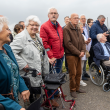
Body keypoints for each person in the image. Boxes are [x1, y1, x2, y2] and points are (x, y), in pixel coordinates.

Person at [10, 15, 49, 103]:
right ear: (26, 25)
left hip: (38, 72)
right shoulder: (21, 37)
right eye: (32, 25)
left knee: (37, 96)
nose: (34, 27)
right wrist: (23, 64)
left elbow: (41, 52)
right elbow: (11, 51)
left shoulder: (38, 37)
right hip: (28, 74)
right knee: (29, 98)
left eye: (36, 25)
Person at [0, 16, 30, 110]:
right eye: (7, 29)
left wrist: (23, 87)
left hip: (13, 100)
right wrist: (15, 107)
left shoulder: (7, 48)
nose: (10, 32)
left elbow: (15, 70)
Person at [40, 7, 64, 107]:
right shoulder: (44, 26)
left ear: (58, 15)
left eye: (55, 13)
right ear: (48, 15)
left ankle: (56, 93)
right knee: (51, 79)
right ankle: (51, 99)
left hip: (60, 55)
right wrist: (50, 56)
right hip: (52, 58)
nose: (53, 15)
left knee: (57, 77)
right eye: (51, 13)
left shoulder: (59, 26)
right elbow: (44, 43)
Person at [63, 13, 86, 98]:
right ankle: (72, 89)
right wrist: (78, 52)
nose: (77, 19)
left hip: (79, 54)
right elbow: (68, 43)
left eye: (77, 18)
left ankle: (77, 88)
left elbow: (82, 41)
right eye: (75, 18)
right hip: (71, 55)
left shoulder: (77, 28)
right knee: (73, 73)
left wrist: (83, 50)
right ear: (70, 19)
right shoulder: (66, 29)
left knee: (79, 72)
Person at [80, 14, 90, 81]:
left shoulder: (86, 26)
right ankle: (82, 75)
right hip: (82, 46)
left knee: (85, 60)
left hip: (87, 44)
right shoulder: (79, 26)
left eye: (84, 18)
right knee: (82, 61)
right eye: (82, 18)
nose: (83, 19)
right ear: (80, 19)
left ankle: (84, 72)